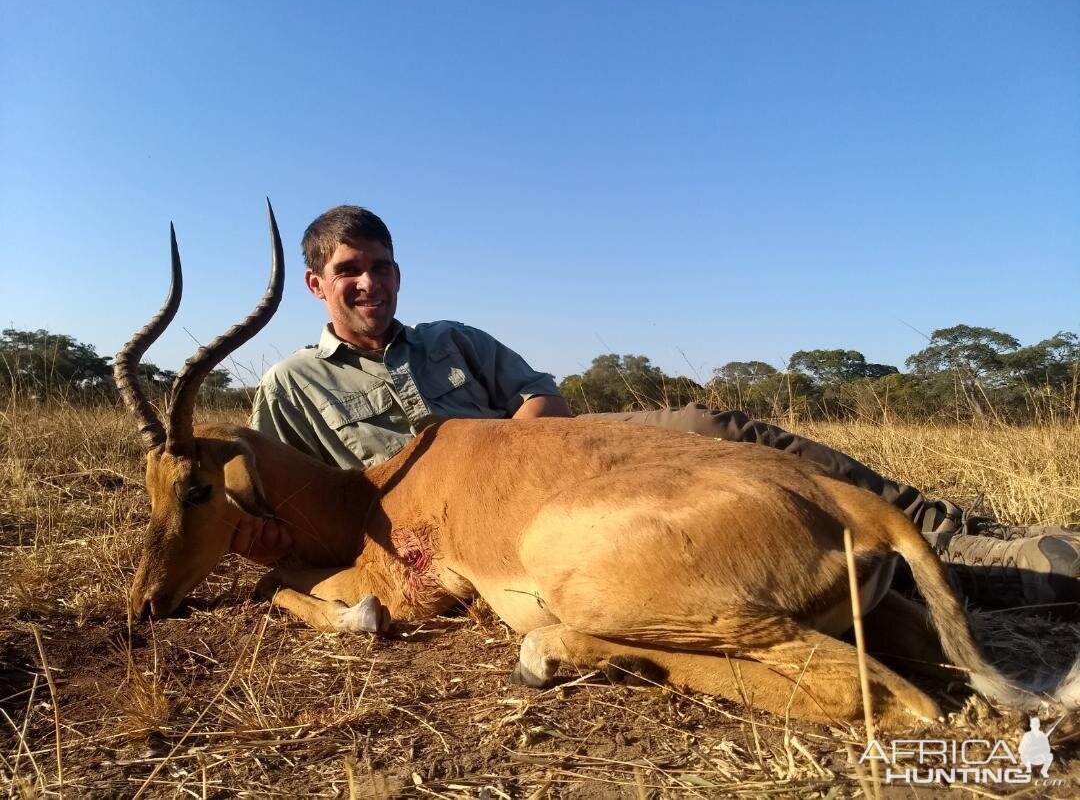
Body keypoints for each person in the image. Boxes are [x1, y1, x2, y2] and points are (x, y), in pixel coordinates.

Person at [235, 205, 1079, 609]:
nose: (368, 283)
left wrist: (512, 452)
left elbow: (545, 397)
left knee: (722, 429)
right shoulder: (289, 390)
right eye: (349, 271)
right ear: (317, 285)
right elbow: (285, 505)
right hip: (480, 531)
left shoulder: (452, 339)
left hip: (567, 462)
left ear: (398, 272)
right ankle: (967, 581)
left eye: (380, 267)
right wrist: (267, 544)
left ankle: (949, 531)